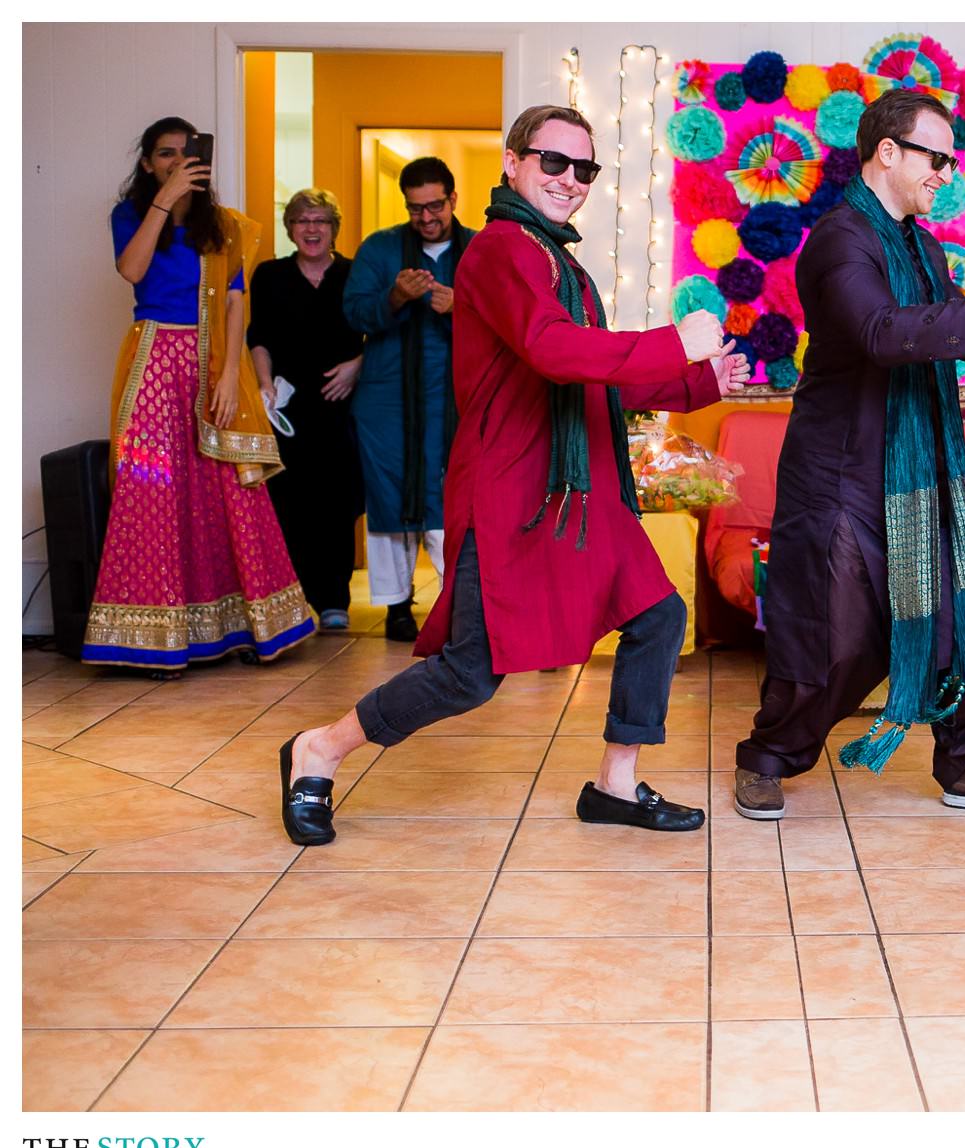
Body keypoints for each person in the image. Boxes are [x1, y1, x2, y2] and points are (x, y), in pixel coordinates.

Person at [278, 104, 748, 846]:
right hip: (515, 494)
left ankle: (614, 784)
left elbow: (590, 379)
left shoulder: (558, 259)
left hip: (578, 491)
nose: (568, 179)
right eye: (552, 162)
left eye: (582, 168)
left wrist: (700, 383)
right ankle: (319, 750)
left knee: (658, 618)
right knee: (469, 673)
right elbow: (552, 350)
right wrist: (672, 343)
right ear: (513, 161)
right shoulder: (501, 250)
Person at [732, 89, 965, 820]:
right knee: (834, 643)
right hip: (843, 477)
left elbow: (947, 334)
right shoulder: (841, 240)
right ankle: (769, 755)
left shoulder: (921, 245)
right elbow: (881, 332)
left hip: (925, 477)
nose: (947, 172)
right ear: (888, 152)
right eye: (936, 156)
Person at [84, 116, 315, 675]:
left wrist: (229, 374)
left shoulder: (224, 227)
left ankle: (237, 627)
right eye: (165, 155)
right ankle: (151, 636)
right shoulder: (131, 216)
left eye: (186, 154)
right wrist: (164, 201)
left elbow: (235, 302)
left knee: (225, 487)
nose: (177, 162)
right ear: (148, 164)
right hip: (154, 360)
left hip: (212, 362)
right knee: (152, 489)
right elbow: (132, 270)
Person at [342, 156, 472, 642]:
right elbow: (354, 314)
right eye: (416, 209)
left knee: (450, 496)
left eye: (435, 206)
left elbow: (508, 320)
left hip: (455, 396)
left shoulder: (479, 250)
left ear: (452, 199)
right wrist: (393, 298)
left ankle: (456, 603)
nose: (426, 218)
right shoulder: (380, 249)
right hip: (388, 399)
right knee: (390, 498)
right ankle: (397, 605)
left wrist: (462, 307)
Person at [249, 188, 365, 630]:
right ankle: (296, 601)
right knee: (289, 503)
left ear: (334, 229)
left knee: (338, 502)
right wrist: (264, 387)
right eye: (302, 221)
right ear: (290, 229)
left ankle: (334, 599)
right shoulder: (270, 276)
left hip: (343, 406)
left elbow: (383, 332)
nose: (311, 229)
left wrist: (357, 366)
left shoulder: (356, 274)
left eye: (320, 221)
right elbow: (258, 338)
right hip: (288, 407)